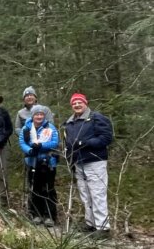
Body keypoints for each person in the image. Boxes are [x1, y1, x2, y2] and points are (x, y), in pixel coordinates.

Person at [64, 93, 113, 238]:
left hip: (95, 161)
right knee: (85, 194)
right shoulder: (70, 122)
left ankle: (103, 228)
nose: (77, 105)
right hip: (78, 163)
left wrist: (87, 143)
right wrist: (69, 158)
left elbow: (106, 138)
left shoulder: (96, 118)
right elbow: (69, 143)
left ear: (86, 103)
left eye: (80, 102)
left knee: (97, 193)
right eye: (74, 103)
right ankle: (91, 223)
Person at [19, 105, 59, 227]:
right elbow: (22, 142)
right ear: (33, 115)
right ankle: (36, 213)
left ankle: (49, 215)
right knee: (35, 187)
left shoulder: (50, 127)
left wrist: (41, 145)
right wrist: (30, 150)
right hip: (32, 161)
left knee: (49, 188)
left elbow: (54, 142)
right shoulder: (26, 128)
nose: (39, 116)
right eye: (37, 114)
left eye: (41, 114)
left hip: (48, 162)